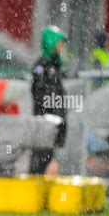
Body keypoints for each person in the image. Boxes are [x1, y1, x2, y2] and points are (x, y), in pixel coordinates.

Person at [30, 25, 67, 175]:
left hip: (52, 124)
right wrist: (51, 117)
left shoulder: (54, 66)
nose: (62, 46)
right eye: (59, 42)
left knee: (47, 160)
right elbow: (40, 96)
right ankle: (34, 194)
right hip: (45, 124)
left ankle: (41, 194)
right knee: (40, 162)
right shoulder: (42, 66)